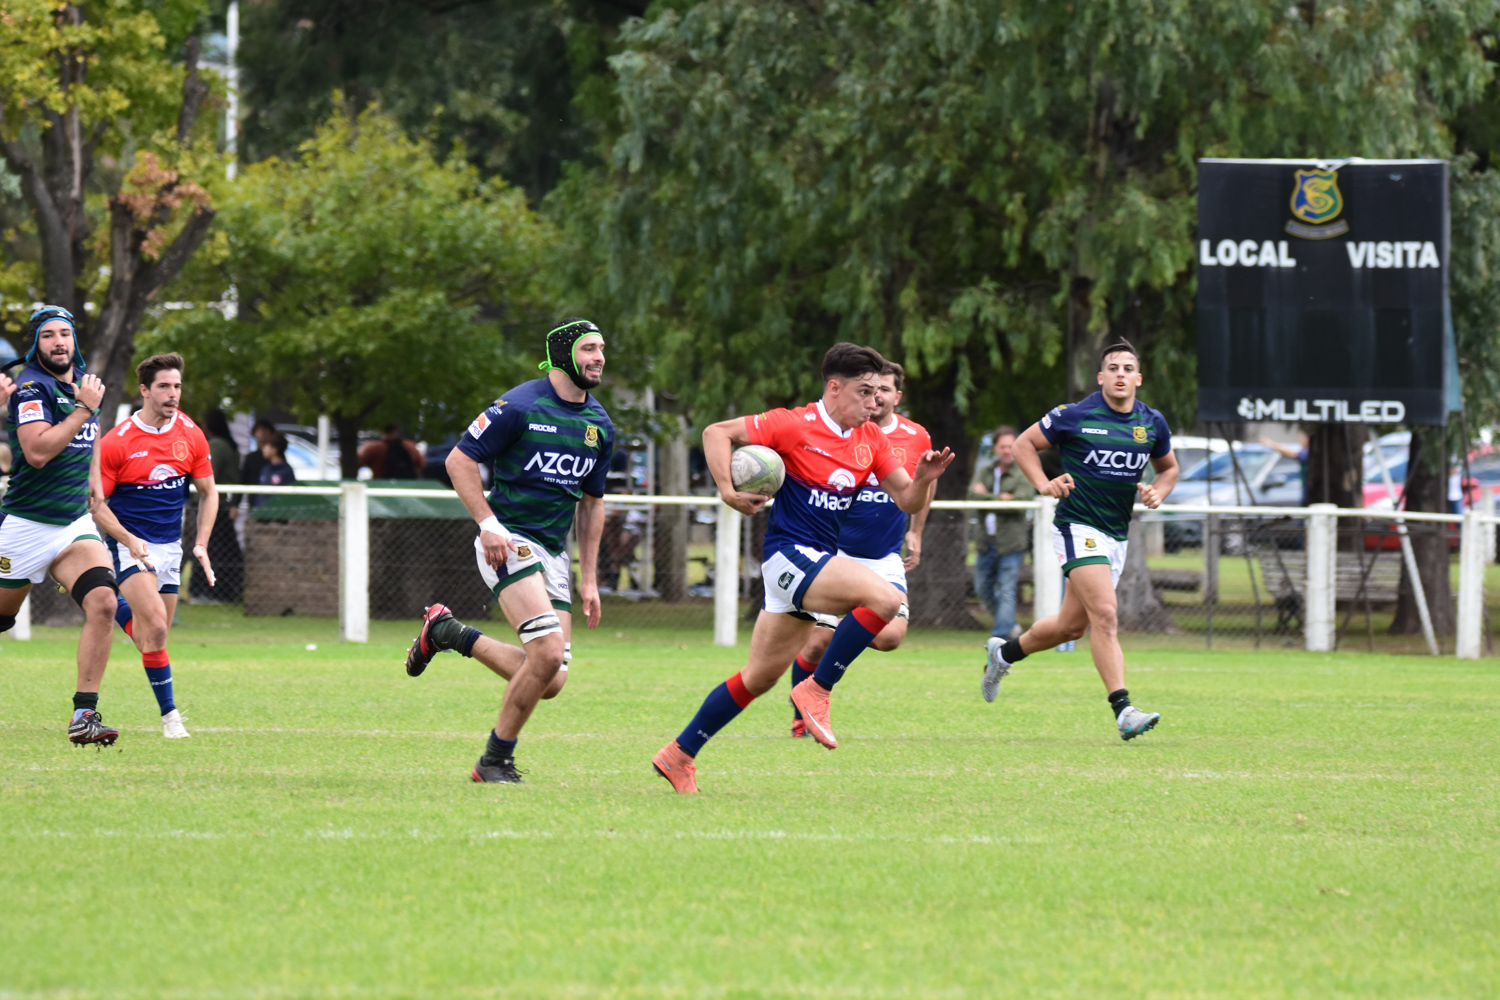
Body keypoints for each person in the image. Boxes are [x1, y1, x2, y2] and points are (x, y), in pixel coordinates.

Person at [652, 343, 954, 794]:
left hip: (814, 563)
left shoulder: (870, 438)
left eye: (878, 393)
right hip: (786, 556)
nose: (874, 403)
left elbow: (905, 500)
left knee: (758, 678)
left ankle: (678, 755)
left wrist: (924, 480)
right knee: (887, 599)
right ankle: (817, 689)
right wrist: (726, 490)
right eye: (864, 392)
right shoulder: (792, 424)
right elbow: (716, 432)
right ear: (834, 388)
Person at [402, 319, 614, 784]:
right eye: (589, 349)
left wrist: (590, 578)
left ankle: (448, 632)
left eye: (602, 349)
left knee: (552, 677)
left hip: (553, 552)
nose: (599, 357)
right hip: (508, 539)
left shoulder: (599, 425)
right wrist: (488, 524)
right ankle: (494, 760)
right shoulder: (519, 405)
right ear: (563, 355)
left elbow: (593, 504)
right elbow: (460, 460)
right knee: (546, 653)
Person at [980, 340, 1178, 741]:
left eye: (1128, 368)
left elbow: (1169, 468)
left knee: (1070, 628)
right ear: (1101, 377)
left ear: (1138, 378)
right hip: (1077, 526)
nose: (1120, 374)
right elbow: (1023, 444)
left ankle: (1003, 655)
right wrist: (1042, 483)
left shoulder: (1151, 422)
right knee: (1106, 613)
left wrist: (1160, 490)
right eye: (1113, 368)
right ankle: (1124, 711)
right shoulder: (1076, 415)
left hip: (1115, 534)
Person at [785, 360, 933, 738]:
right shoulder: (842, 434)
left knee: (890, 637)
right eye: (870, 389)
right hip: (837, 553)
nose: (877, 396)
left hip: (883, 555)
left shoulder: (916, 437)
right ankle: (803, 716)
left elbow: (923, 485)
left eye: (885, 389)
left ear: (896, 396)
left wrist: (915, 531)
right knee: (817, 643)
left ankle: (840, 641)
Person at [0, 306, 122, 746]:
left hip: (72, 525)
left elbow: (88, 441)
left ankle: (84, 714)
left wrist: (95, 491)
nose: (58, 342)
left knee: (104, 603)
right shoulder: (32, 387)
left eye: (65, 334)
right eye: (48, 335)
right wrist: (82, 410)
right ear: (36, 344)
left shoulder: (83, 388)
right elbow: (37, 452)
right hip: (24, 527)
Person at [89, 353, 218, 739]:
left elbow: (210, 493)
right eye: (163, 386)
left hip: (170, 550)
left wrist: (201, 544)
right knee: (158, 628)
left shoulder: (191, 434)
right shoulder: (118, 442)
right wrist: (129, 540)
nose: (172, 394)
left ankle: (112, 604)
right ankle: (171, 719)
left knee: (150, 639)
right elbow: (97, 506)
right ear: (144, 390)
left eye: (177, 386)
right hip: (130, 548)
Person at [971, 425, 1036, 641]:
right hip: (985, 541)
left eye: (1010, 446)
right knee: (982, 589)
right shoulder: (985, 471)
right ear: (996, 448)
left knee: (1007, 589)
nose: (1007, 451)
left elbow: (1021, 503)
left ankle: (999, 636)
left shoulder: (1023, 472)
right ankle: (1010, 627)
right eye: (1002, 446)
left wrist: (988, 497)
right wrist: (1001, 498)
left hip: (1011, 543)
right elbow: (972, 497)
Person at [359, 424, 425, 479]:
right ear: (396, 431)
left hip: (382, 484)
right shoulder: (409, 446)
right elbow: (421, 464)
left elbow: (358, 462)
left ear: (382, 432)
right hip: (407, 485)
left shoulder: (374, 448)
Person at [1260, 433, 1309, 505]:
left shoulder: (1309, 453)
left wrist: (1271, 444)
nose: (1300, 440)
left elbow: (1293, 453)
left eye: (1304, 438)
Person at [240, 417, 276, 489]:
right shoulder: (251, 458)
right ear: (254, 434)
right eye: (259, 430)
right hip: (254, 494)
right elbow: (243, 480)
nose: (262, 432)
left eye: (265, 430)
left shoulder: (275, 457)